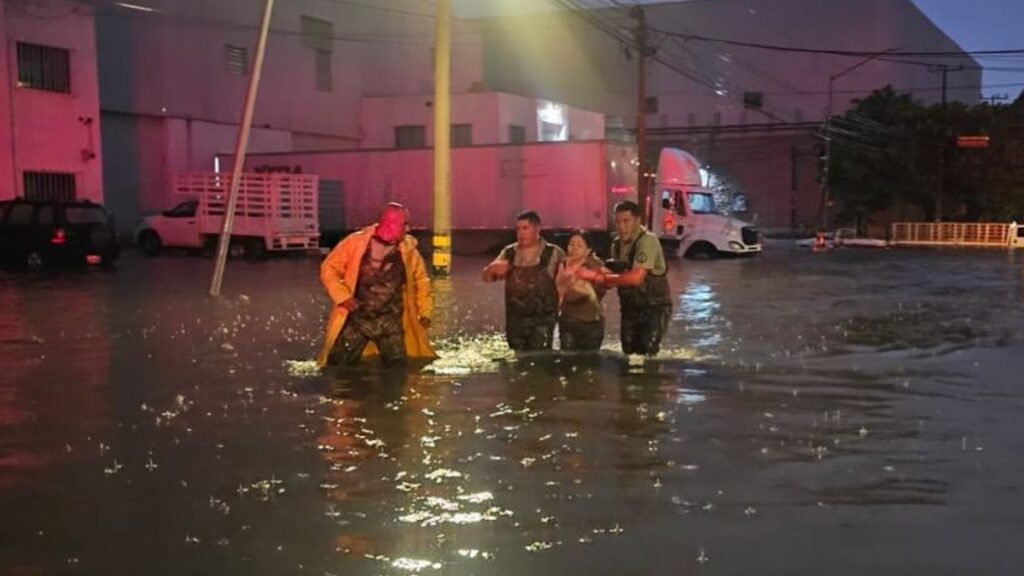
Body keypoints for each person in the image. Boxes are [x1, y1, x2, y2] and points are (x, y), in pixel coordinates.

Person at [316, 203, 435, 368]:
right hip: (357, 319)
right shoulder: (355, 243)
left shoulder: (408, 250)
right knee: (337, 368)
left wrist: (425, 312)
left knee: (398, 371)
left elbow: (421, 281)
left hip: (390, 323)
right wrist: (343, 297)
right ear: (391, 223)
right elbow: (328, 268)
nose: (408, 229)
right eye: (404, 224)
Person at [577, 201, 672, 356]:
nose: (621, 227)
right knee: (628, 352)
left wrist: (600, 277)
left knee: (648, 352)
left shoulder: (647, 240)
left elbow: (636, 278)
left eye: (626, 221)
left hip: (654, 308)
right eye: (618, 222)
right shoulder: (616, 244)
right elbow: (615, 278)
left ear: (637, 220)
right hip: (629, 308)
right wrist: (592, 278)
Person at [482, 210, 565, 351]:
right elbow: (487, 278)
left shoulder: (554, 253)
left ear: (538, 229)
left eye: (525, 228)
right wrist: (492, 268)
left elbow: (563, 287)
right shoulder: (508, 252)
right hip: (515, 320)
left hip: (543, 320)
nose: (521, 233)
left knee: (540, 360)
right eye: (518, 229)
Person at [555, 230, 607, 351]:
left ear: (588, 250)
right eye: (571, 244)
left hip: (591, 323)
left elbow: (606, 284)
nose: (574, 248)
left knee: (590, 360)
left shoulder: (595, 264)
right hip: (568, 322)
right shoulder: (563, 264)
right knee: (568, 359)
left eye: (579, 245)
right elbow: (559, 290)